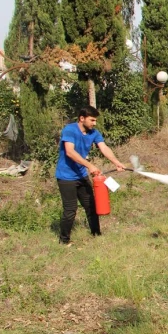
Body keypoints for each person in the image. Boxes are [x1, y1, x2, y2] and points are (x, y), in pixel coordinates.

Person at [55, 105, 126, 245]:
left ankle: (96, 235)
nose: (94, 123)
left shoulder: (93, 133)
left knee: (91, 206)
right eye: (92, 120)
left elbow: (104, 147)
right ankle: (64, 241)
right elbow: (69, 152)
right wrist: (90, 165)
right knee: (70, 210)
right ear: (82, 118)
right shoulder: (69, 130)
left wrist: (116, 162)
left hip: (81, 176)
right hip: (66, 177)